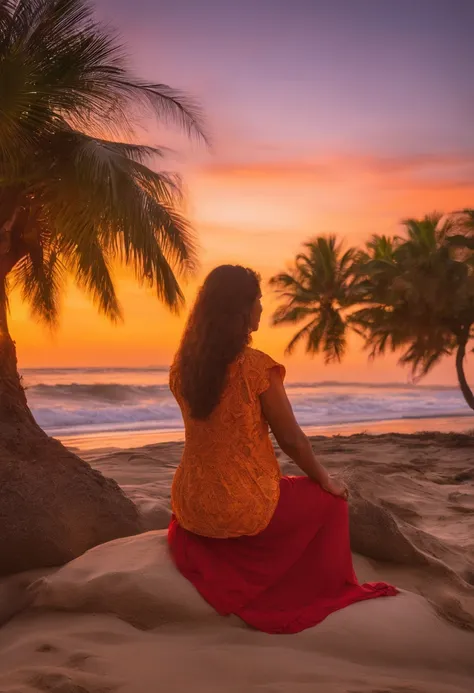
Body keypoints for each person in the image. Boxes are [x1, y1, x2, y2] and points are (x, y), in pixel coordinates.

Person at [167, 264, 397, 634]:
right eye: (257, 299)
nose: (262, 306)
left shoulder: (183, 367)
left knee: (265, 494)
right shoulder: (256, 367)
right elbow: (291, 440)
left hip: (190, 501)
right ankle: (323, 588)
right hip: (242, 503)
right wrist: (325, 479)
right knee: (331, 503)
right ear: (241, 309)